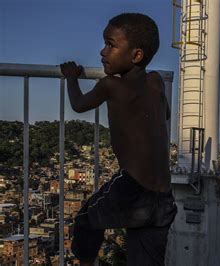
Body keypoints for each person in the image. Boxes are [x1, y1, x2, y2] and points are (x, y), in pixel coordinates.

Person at [60, 13, 177, 266]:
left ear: (136, 55)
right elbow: (165, 112)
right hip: (164, 195)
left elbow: (79, 105)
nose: (103, 52)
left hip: (133, 187)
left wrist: (71, 77)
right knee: (145, 257)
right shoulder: (156, 81)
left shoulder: (111, 85)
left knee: (86, 220)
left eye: (111, 45)